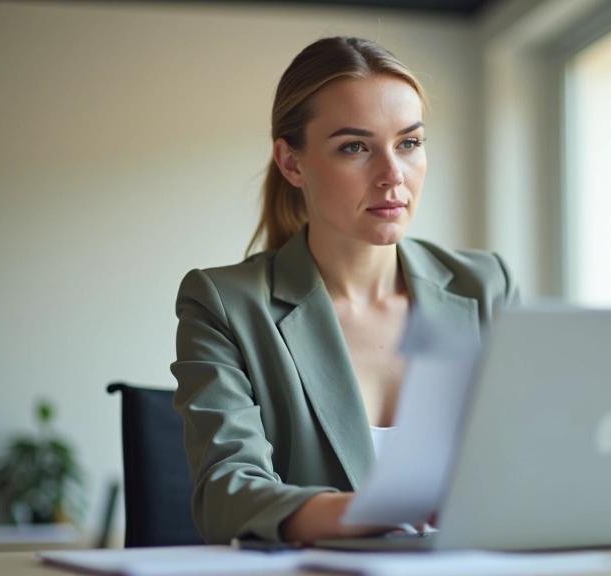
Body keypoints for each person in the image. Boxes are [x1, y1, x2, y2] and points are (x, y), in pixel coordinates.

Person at [170, 36, 519, 546]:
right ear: (292, 164)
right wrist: (380, 510)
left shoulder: (485, 287)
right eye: (355, 147)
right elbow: (228, 495)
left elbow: (530, 461)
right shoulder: (225, 303)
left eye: (409, 143)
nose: (391, 175)